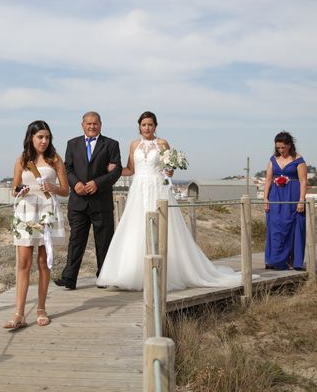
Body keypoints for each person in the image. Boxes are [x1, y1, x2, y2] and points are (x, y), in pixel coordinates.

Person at [97, 111, 245, 291]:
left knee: (162, 227)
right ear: (139, 127)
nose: (147, 128)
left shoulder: (162, 143)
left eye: (150, 124)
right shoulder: (134, 144)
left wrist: (170, 169)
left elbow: (170, 170)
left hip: (158, 187)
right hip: (138, 188)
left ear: (155, 126)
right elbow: (130, 169)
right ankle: (132, 273)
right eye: (144, 125)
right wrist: (112, 170)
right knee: (135, 227)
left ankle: (165, 272)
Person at [4, 120, 68, 328]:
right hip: (26, 212)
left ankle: (41, 308)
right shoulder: (22, 160)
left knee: (43, 262)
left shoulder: (55, 159)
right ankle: (19, 313)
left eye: (47, 137)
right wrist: (19, 191)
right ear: (31, 138)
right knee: (23, 262)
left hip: (46, 212)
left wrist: (52, 186)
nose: (44, 141)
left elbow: (66, 190)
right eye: (40, 137)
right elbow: (14, 188)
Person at [54, 111, 123, 290]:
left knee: (104, 241)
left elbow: (116, 171)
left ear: (101, 124)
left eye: (95, 123)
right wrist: (75, 183)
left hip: (101, 202)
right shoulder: (72, 144)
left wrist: (97, 183)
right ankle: (69, 277)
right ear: (82, 125)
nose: (92, 126)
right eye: (88, 123)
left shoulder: (111, 144)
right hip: (78, 202)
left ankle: (104, 276)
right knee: (76, 240)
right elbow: (67, 167)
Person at [263, 131, 307, 270]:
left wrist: (301, 200)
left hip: (292, 196)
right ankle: (274, 260)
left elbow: (303, 181)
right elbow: (269, 179)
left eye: (283, 147)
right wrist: (265, 198)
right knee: (275, 226)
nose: (280, 150)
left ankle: (292, 261)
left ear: (289, 145)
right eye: (278, 147)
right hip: (276, 196)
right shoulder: (273, 159)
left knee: (292, 227)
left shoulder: (298, 160)